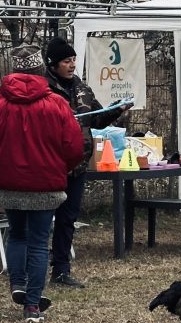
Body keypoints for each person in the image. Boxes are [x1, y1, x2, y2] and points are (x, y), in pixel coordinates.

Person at [0, 44, 83, 323]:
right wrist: (60, 168)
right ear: (41, 69)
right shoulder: (56, 103)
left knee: (17, 235)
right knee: (40, 243)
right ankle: (32, 305)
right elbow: (75, 148)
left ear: (15, 71)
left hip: (10, 184)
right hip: (47, 184)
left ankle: (17, 284)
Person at [43, 35, 131, 289]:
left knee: (67, 219)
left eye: (73, 60)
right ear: (53, 65)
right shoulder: (44, 89)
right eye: (66, 61)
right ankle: (34, 267)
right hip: (51, 164)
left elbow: (97, 119)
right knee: (44, 218)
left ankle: (61, 270)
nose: (71, 65)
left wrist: (117, 110)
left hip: (77, 166)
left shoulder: (81, 88)